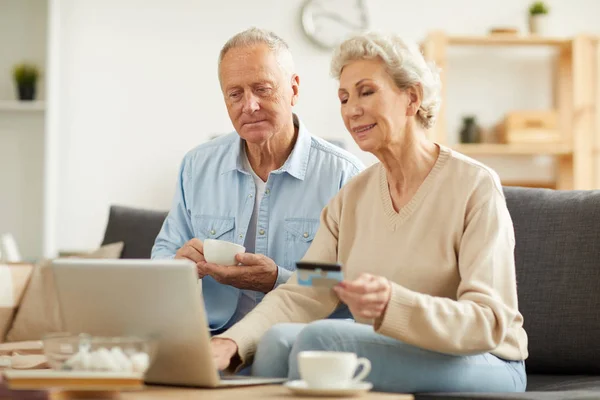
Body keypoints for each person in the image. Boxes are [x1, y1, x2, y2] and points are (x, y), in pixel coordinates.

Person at [210, 31, 528, 393]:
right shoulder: (351, 201)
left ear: (412, 98)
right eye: (344, 98)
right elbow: (306, 291)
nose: (351, 109)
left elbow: (489, 321)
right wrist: (231, 344)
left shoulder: (474, 186)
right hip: (394, 349)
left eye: (366, 92)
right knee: (276, 341)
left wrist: (395, 303)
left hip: (485, 360)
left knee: (321, 342)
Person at [151, 27, 364, 335]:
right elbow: (161, 258)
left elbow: (351, 284)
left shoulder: (345, 175)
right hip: (212, 339)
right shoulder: (196, 167)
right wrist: (177, 266)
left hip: (298, 342)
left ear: (294, 89)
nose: (248, 106)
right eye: (235, 94)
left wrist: (277, 279)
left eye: (262, 89)